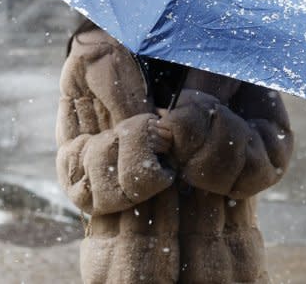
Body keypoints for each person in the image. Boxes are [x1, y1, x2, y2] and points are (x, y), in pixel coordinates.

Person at [56, 19, 293, 283]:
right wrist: (133, 147)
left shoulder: (234, 46)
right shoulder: (91, 53)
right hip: (127, 270)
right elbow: (73, 172)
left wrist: (202, 132)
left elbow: (273, 154)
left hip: (222, 268)